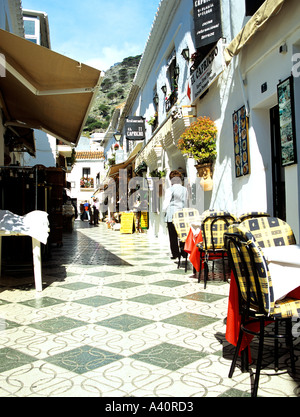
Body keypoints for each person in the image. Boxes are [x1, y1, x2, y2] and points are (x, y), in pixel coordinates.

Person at [162, 170, 188, 259]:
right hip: (182, 214)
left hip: (171, 215)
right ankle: (184, 252)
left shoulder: (170, 190)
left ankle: (175, 254)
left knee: (173, 235)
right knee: (182, 234)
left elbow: (166, 202)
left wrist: (163, 210)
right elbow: (186, 201)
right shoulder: (185, 189)